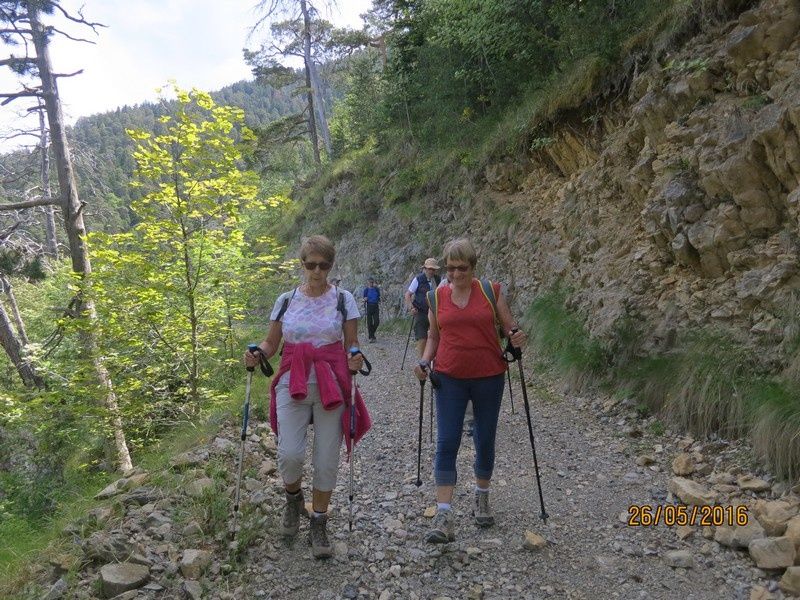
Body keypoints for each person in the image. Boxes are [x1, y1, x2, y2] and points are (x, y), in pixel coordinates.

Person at [245, 235, 371, 559]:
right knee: (289, 454)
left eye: (324, 264)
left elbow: (351, 344)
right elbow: (272, 343)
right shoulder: (286, 300)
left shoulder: (344, 300)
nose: (317, 270)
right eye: (311, 264)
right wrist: (259, 352)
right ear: (302, 264)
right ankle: (293, 499)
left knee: (326, 459)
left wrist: (355, 356)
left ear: (331, 265)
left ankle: (319, 520)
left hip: (331, 381)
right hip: (293, 380)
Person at [413, 238, 526, 544]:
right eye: (450, 268)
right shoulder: (436, 296)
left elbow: (509, 326)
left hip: (489, 375)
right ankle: (445, 514)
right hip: (449, 377)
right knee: (447, 440)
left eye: (462, 268)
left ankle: (482, 495)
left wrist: (516, 337)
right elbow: (434, 336)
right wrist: (425, 360)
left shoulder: (491, 291)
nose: (455, 274)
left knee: (485, 436)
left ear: (473, 267)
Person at [404, 258, 442, 358]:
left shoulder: (438, 279)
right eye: (429, 269)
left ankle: (433, 360)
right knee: (422, 337)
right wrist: (411, 307)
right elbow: (408, 294)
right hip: (420, 312)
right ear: (425, 268)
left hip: (434, 312)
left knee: (435, 336)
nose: (431, 271)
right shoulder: (418, 279)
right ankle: (422, 363)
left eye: (433, 269)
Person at [362, 276, 381, 342]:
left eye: (372, 282)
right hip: (369, 306)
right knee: (369, 323)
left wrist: (378, 300)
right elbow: (364, 298)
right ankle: (371, 337)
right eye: (370, 282)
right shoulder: (366, 290)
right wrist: (365, 299)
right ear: (368, 283)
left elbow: (379, 297)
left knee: (377, 322)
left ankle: (371, 334)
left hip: (375, 306)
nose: (371, 283)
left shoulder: (376, 289)